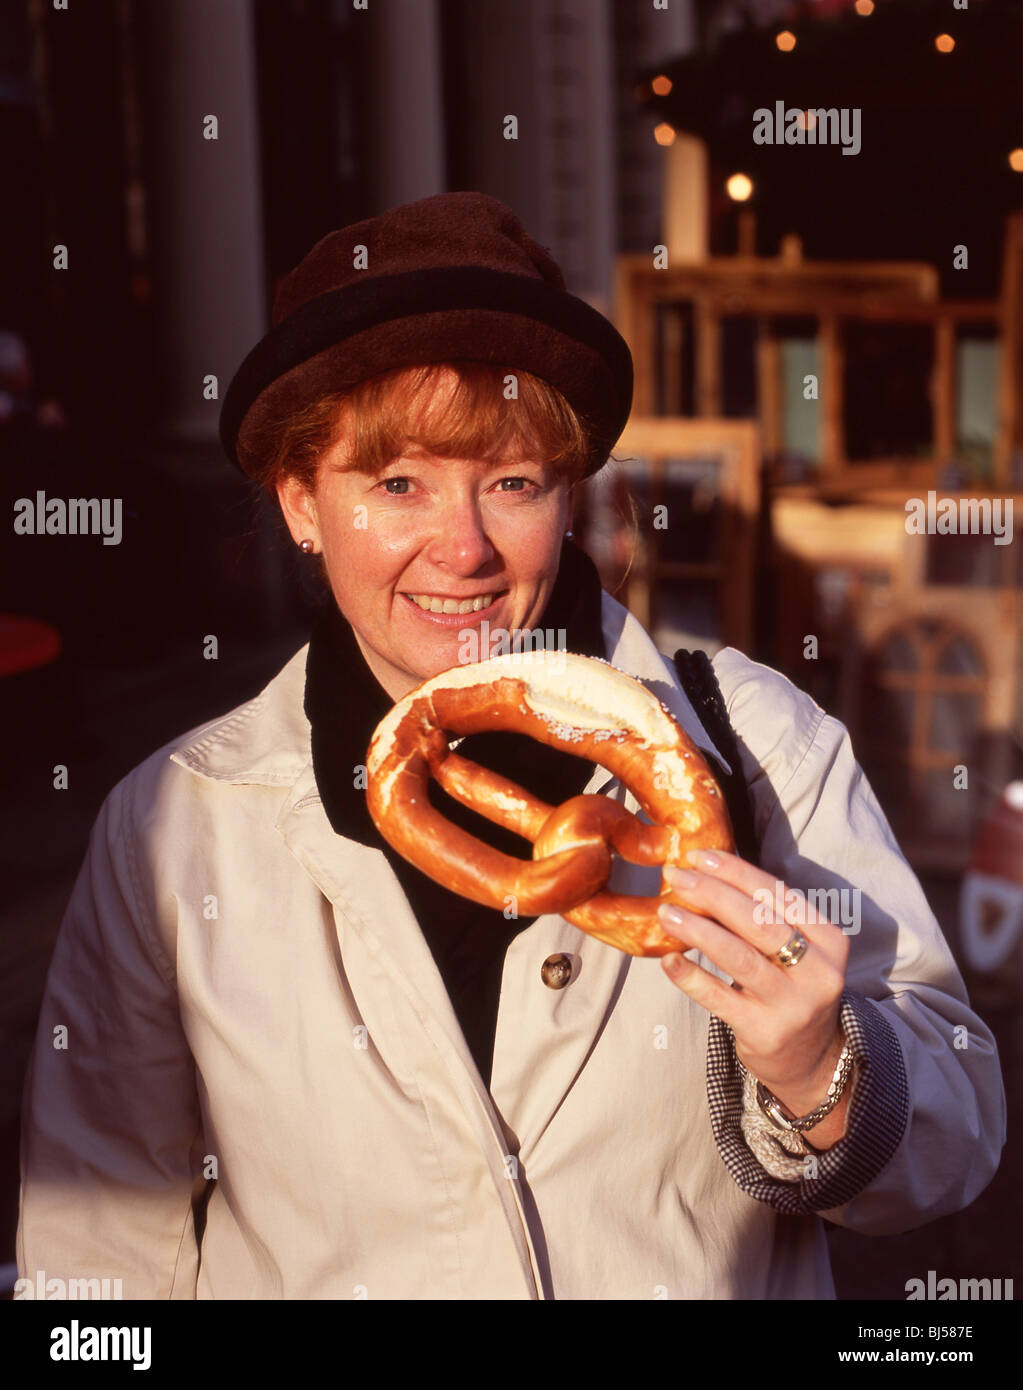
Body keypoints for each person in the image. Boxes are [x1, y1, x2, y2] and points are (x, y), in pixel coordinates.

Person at [17, 192, 1005, 1300]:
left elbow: (957, 1143)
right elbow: (92, 1273)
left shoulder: (755, 743)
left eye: (512, 482)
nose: (465, 548)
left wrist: (822, 1071)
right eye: (397, 484)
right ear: (300, 501)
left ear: (569, 492)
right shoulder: (177, 828)